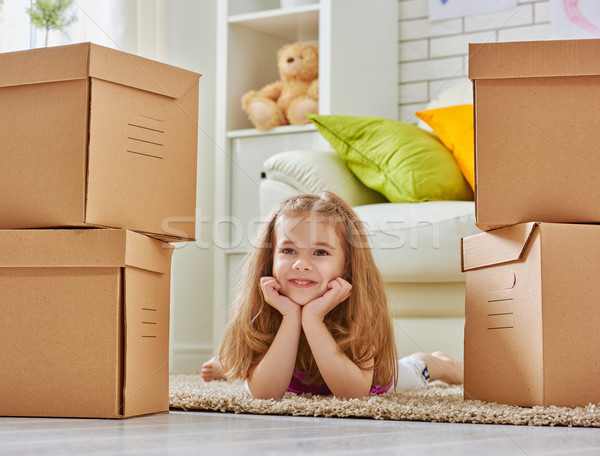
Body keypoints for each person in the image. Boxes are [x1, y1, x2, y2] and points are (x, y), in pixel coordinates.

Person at [202, 192, 463, 400]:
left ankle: (437, 362)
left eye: (320, 253)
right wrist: (290, 316)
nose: (301, 264)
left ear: (347, 265)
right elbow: (265, 393)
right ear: (269, 257)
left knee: (414, 372)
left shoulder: (356, 310)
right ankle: (229, 366)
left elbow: (353, 393)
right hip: (293, 375)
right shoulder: (265, 305)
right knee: (242, 365)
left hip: (372, 380)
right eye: (289, 251)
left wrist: (313, 320)